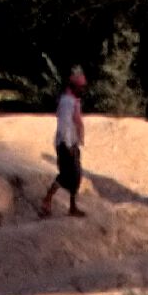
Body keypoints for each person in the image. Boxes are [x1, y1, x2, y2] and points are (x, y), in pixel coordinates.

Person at [39, 68, 89, 219]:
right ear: (74, 87)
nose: (82, 90)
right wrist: (68, 145)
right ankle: (47, 200)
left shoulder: (72, 100)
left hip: (71, 143)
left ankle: (72, 207)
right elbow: (65, 124)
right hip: (66, 143)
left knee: (76, 175)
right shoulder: (67, 102)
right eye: (81, 87)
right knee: (66, 175)